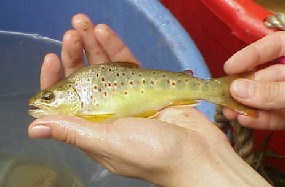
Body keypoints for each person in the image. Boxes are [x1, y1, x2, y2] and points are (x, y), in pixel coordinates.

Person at [27, 14, 283, 186]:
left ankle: (218, 90)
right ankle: (217, 90)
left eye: (48, 98)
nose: (42, 103)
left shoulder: (84, 101)